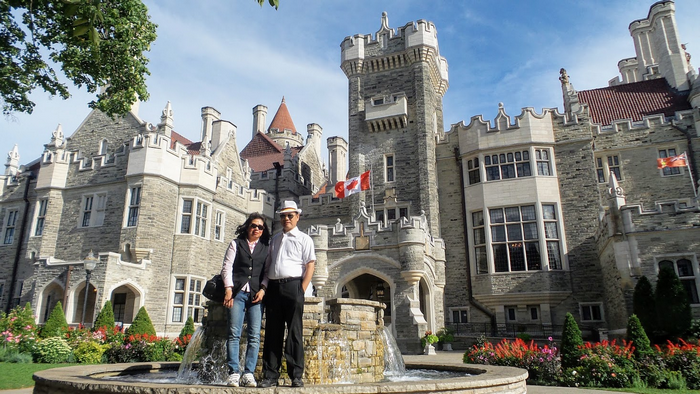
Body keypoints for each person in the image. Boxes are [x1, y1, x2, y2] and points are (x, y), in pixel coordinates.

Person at [259, 201, 316, 388]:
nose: (286, 219)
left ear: (297, 216)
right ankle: (270, 375)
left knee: (294, 333)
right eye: (283, 216)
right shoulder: (274, 239)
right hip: (274, 288)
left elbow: (310, 265)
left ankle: (296, 376)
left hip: (293, 286)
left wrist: (301, 289)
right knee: (272, 333)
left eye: (290, 215)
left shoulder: (304, 239)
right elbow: (268, 266)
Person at [220, 213, 270, 387]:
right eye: (253, 225)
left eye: (260, 227)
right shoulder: (236, 244)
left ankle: (248, 373)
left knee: (254, 336)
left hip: (256, 296)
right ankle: (234, 372)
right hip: (237, 294)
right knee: (234, 334)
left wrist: (263, 289)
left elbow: (267, 272)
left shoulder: (266, 247)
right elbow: (227, 267)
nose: (256, 229)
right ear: (248, 227)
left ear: (263, 231)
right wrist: (228, 289)